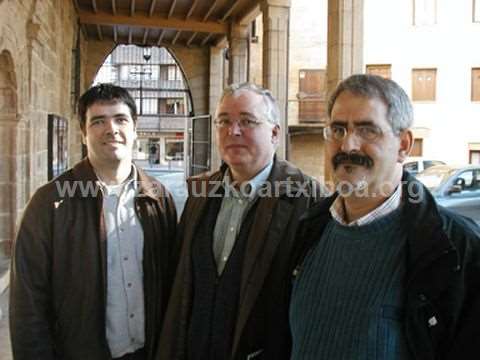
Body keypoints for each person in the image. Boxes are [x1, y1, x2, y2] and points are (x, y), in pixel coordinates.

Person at [289, 74, 480, 359]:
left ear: (403, 145)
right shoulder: (309, 231)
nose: (348, 145)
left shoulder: (455, 250)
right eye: (338, 130)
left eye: (367, 130)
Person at [9, 84, 178, 360]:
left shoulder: (159, 198)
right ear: (83, 133)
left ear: (135, 128)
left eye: (120, 119)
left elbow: (174, 284)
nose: (111, 129)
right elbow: (27, 303)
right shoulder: (50, 202)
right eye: (98, 121)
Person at [157, 83, 323, 360]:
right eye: (223, 121)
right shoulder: (200, 193)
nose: (232, 131)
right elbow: (182, 283)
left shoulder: (307, 199)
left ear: (274, 133)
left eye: (247, 121)